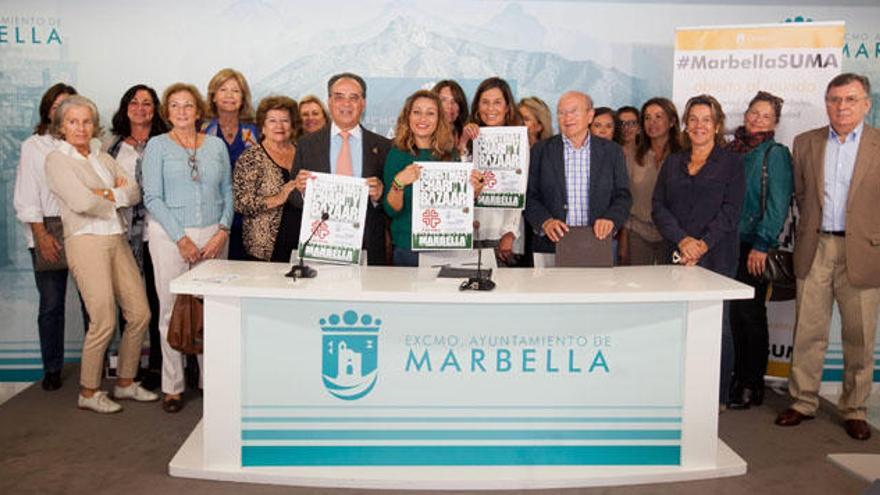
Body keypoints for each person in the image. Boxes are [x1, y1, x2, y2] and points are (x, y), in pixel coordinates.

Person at [775, 73, 880, 441]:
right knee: (808, 331)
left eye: (850, 99)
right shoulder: (805, 143)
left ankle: (854, 408)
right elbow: (802, 195)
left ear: (866, 104)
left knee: (860, 336)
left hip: (864, 252)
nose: (842, 107)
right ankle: (803, 401)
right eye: (835, 99)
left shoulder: (878, 144)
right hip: (815, 246)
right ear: (826, 104)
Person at [44, 95, 157, 413]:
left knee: (139, 314)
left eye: (86, 121)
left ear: (95, 125)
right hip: (85, 241)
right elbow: (80, 203)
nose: (81, 128)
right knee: (104, 319)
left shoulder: (101, 155)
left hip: (115, 238)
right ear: (61, 126)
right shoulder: (57, 159)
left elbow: (134, 191)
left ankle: (124, 383)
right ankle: (89, 390)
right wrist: (115, 194)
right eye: (73, 121)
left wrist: (107, 193)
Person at [143, 83, 233, 413]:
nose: (182, 111)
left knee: (212, 311)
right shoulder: (157, 146)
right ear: (168, 113)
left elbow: (228, 191)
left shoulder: (216, 146)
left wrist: (222, 230)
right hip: (169, 237)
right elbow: (152, 196)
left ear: (198, 111)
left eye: (188, 105)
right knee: (170, 311)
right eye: (175, 106)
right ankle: (173, 386)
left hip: (213, 236)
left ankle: (211, 382)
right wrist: (180, 238)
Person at [652, 94, 745, 408]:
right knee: (677, 322)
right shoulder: (674, 161)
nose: (699, 125)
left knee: (717, 325)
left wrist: (701, 244)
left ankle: (715, 396)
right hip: (677, 254)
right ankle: (678, 392)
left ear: (717, 125)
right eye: (693, 119)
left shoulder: (731, 163)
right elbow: (658, 206)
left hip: (717, 255)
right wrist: (683, 241)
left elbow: (731, 212)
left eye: (706, 119)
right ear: (685, 124)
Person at [13, 82, 87, 392]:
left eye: (68, 106)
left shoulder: (86, 143)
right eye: (57, 106)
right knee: (52, 304)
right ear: (48, 111)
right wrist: (40, 234)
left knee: (93, 304)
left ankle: (95, 366)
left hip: (83, 227)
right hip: (49, 228)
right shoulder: (34, 145)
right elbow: (26, 195)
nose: (62, 111)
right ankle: (52, 368)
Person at [727, 91, 793, 409]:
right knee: (732, 317)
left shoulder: (775, 154)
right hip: (726, 243)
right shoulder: (731, 150)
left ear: (775, 122)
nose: (757, 119)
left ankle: (752, 383)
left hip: (754, 245)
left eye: (765, 116)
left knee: (750, 314)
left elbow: (778, 204)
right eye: (754, 112)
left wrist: (763, 244)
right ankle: (735, 376)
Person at [104, 84, 169, 390]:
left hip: (158, 231)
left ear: (155, 109)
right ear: (125, 107)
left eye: (147, 103)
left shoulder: (165, 143)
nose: (141, 108)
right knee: (128, 303)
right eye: (134, 102)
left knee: (158, 301)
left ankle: (157, 365)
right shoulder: (112, 147)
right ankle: (126, 368)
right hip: (123, 233)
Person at [290, 73, 391, 265]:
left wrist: (380, 195)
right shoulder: (307, 144)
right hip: (320, 244)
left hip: (367, 247)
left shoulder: (383, 146)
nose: (346, 104)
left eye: (354, 97)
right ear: (329, 102)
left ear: (363, 103)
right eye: (339, 97)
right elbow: (294, 198)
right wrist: (302, 191)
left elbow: (393, 204)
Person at [523, 91, 631, 259]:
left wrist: (611, 219)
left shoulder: (612, 152)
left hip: (597, 242)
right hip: (551, 245)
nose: (567, 118)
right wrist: (545, 222)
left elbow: (623, 196)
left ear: (590, 115)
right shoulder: (541, 150)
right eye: (561, 113)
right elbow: (529, 196)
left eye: (574, 111)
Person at [383, 90, 483, 266]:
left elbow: (456, 202)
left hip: (446, 246)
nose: (423, 119)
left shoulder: (450, 154)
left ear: (439, 119)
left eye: (430, 113)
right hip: (409, 249)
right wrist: (399, 182)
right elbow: (391, 211)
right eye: (417, 112)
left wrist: (473, 191)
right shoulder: (397, 154)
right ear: (408, 116)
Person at [460, 77, 524, 265]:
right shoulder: (470, 136)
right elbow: (460, 182)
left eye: (497, 102)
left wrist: (510, 233)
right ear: (477, 106)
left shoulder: (517, 140)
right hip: (468, 230)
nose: (491, 108)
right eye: (485, 102)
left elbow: (520, 188)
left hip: (500, 234)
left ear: (507, 107)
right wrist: (463, 142)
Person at [233, 96, 301, 262]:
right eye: (272, 121)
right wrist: (277, 198)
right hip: (264, 247)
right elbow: (240, 202)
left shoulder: (303, 153)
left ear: (292, 125)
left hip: (302, 242)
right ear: (262, 126)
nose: (279, 126)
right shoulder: (251, 157)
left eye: (285, 120)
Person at [201, 68, 259, 261]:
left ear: (243, 98)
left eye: (236, 91)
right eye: (223, 89)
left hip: (249, 219)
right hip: (214, 217)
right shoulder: (202, 132)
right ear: (213, 96)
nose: (229, 95)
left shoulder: (253, 133)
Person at [620, 98, 682, 266]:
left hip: (674, 235)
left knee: (671, 286)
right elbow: (625, 199)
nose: (652, 123)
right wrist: (624, 241)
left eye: (658, 117)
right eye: (647, 118)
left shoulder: (684, 156)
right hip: (639, 232)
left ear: (672, 121)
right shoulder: (632, 155)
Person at [431, 80, 469, 153]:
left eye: (455, 101)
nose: (450, 106)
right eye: (443, 100)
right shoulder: (424, 135)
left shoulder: (467, 134)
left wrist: (463, 145)